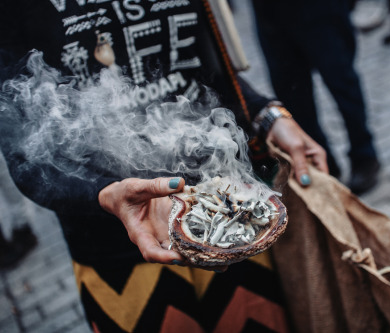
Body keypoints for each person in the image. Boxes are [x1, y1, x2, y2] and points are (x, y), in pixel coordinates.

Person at [0, 1, 328, 331]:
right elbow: (24, 153)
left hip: (230, 225)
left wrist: (266, 113)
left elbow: (203, 62)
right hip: (121, 257)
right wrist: (103, 193)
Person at [251, 0, 381, 195]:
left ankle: (364, 155)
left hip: (319, 7)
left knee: (342, 80)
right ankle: (323, 164)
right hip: (270, 11)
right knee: (292, 95)